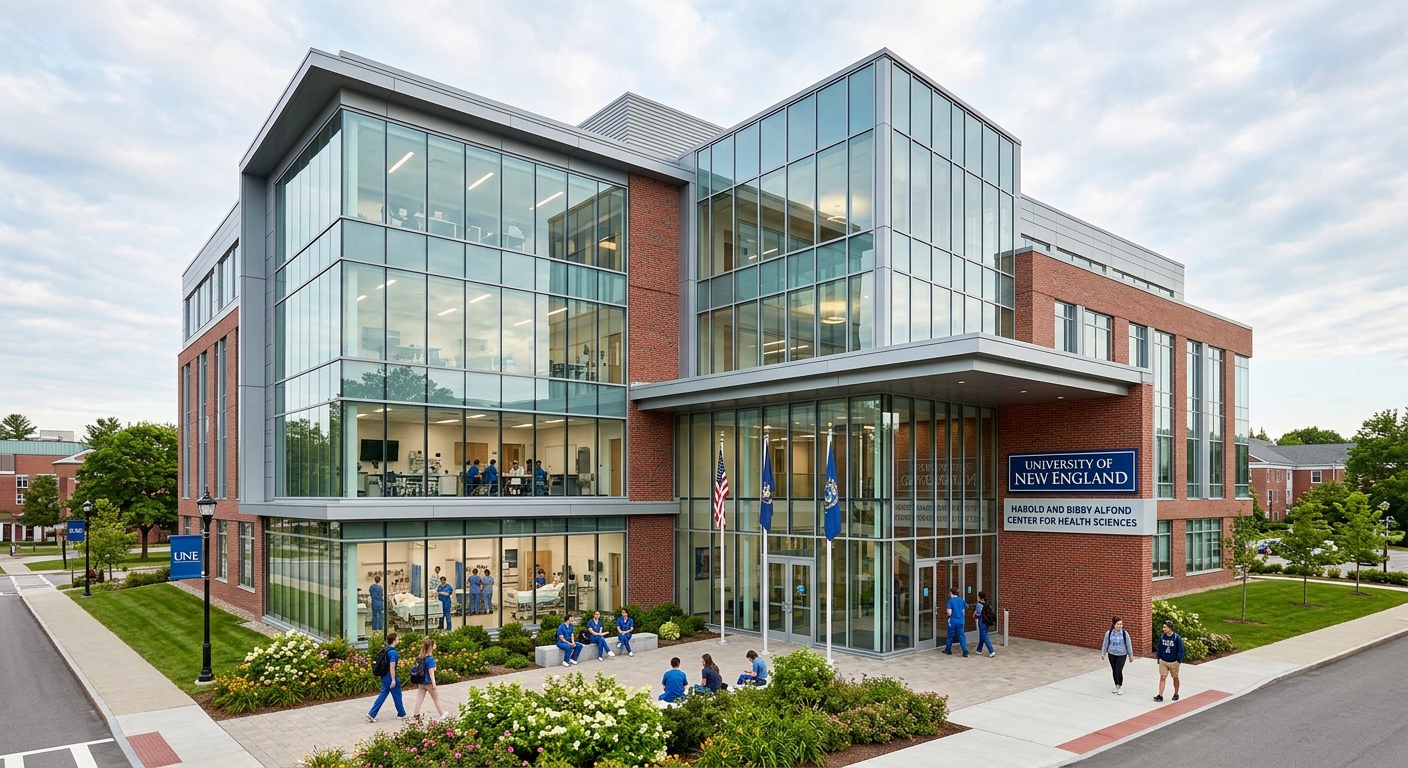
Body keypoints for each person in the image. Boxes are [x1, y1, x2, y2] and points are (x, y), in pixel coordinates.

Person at [367, 632, 406, 722]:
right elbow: (392, 665)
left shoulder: (385, 650)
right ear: (394, 641)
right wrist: (393, 679)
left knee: (386, 693)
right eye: (397, 639)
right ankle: (400, 713)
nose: (398, 640)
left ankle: (372, 713)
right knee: (395, 694)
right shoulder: (393, 653)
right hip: (390, 676)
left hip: (384, 675)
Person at [411, 636, 451, 719]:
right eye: (434, 644)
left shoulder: (420, 657)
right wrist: (434, 683)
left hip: (421, 682)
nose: (435, 645)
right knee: (436, 698)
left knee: (419, 699)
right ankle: (442, 713)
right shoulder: (430, 659)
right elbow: (431, 671)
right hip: (428, 682)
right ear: (431, 647)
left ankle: (416, 714)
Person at [1100, 616, 1135, 695]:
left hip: (1121, 654)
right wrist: (1103, 652)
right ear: (1114, 624)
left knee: (1118, 670)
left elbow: (1128, 644)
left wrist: (1130, 654)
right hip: (1112, 654)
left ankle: (1120, 686)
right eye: (1118, 624)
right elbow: (1105, 643)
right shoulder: (1109, 633)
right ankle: (1116, 685)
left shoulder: (1124, 633)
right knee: (1114, 670)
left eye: (1121, 624)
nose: (1120, 626)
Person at [1154, 620, 1184, 702]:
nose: (1164, 629)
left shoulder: (1176, 638)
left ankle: (1176, 693)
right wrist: (1158, 657)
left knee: (1175, 677)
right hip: (1163, 661)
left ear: (1170, 628)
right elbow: (1159, 647)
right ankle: (1160, 695)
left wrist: (1178, 660)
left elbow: (1181, 650)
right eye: (1163, 627)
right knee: (1162, 677)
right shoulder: (1162, 637)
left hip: (1174, 662)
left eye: (1165, 627)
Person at [943, 587, 969, 657]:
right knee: (961, 636)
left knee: (950, 636)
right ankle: (965, 651)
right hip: (961, 621)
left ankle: (948, 650)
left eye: (950, 593)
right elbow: (966, 606)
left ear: (951, 593)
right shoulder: (961, 600)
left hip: (953, 621)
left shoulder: (950, 601)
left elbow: (949, 613)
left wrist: (946, 612)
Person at [974, 591, 996, 658]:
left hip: (982, 621)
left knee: (984, 636)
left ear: (980, 597)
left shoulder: (979, 604)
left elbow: (978, 614)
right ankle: (979, 649)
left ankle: (991, 651)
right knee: (982, 635)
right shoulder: (988, 604)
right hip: (987, 622)